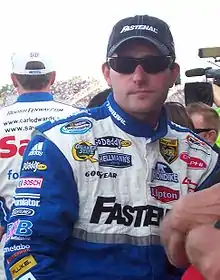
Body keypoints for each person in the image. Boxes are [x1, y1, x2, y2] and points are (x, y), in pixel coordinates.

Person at [4, 15, 220, 280]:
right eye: (125, 64)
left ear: (173, 73)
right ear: (107, 73)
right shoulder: (59, 144)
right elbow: (23, 253)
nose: (139, 77)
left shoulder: (204, 157)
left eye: (153, 64)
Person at [0, 51, 77, 279]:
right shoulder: (79, 119)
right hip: (70, 245)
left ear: (14, 79)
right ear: (52, 77)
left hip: (10, 250)